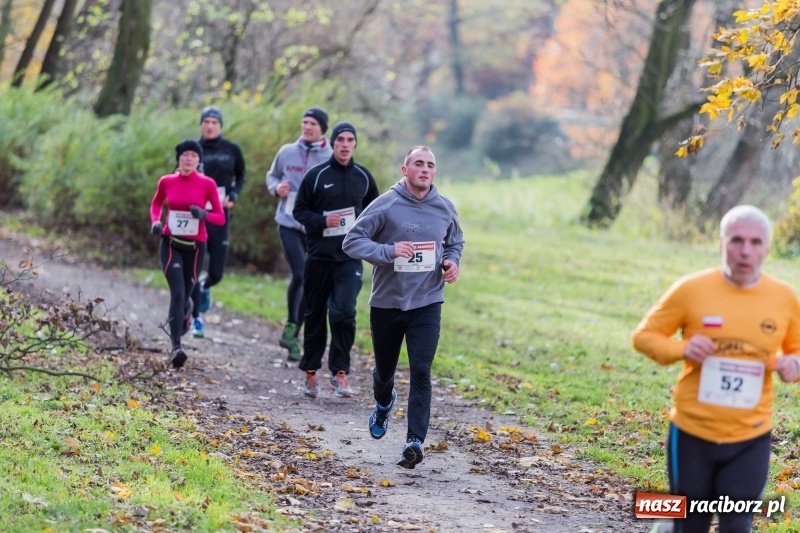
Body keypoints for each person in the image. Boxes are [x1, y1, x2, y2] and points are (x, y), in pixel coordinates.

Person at [632, 205, 800, 533]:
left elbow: (797, 351)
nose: (745, 251)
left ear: (767, 248)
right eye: (736, 240)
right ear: (721, 244)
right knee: (690, 523)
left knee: (736, 524)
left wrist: (793, 364)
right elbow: (643, 336)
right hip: (693, 431)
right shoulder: (691, 289)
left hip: (751, 434)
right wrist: (683, 348)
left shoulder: (784, 298)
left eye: (755, 242)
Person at [342, 145, 464, 469]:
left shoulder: (444, 208)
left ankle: (414, 441)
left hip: (427, 301)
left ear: (434, 172)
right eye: (418, 164)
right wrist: (389, 250)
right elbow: (352, 241)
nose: (425, 169)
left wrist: (451, 261)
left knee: (421, 369)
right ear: (405, 169)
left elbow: (455, 242)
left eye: (430, 165)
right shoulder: (386, 204)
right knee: (385, 373)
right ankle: (384, 402)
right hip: (387, 302)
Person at [292, 121, 380, 398]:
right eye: (340, 139)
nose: (344, 144)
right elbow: (299, 211)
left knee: (344, 312)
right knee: (315, 314)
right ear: (333, 144)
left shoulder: (364, 178)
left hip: (349, 258)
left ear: (355, 144)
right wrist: (321, 221)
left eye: (349, 140)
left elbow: (375, 214)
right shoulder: (316, 175)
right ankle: (310, 372)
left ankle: (340, 373)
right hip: (318, 257)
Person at [150, 140, 226, 368]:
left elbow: (220, 217)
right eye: (185, 155)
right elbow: (156, 204)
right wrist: (156, 222)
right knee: (178, 293)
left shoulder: (207, 184)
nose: (189, 158)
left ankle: (187, 312)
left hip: (195, 248)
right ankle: (176, 348)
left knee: (186, 296)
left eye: (193, 155)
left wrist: (204, 213)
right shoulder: (167, 181)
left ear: (199, 160)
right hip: (171, 244)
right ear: (179, 158)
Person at [266, 107, 332, 360]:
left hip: (316, 227)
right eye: (304, 122)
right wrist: (276, 188)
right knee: (301, 273)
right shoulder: (287, 151)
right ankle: (293, 324)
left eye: (313, 123)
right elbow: (271, 176)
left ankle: (293, 334)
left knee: (310, 279)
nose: (307, 127)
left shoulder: (330, 155)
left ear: (322, 128)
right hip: (289, 221)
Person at [189, 106, 247, 338]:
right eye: (206, 121)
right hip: (196, 219)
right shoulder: (194, 150)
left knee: (216, 272)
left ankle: (205, 287)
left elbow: (241, 176)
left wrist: (233, 195)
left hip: (220, 216)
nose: (210, 125)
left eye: (214, 121)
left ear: (220, 125)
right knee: (194, 268)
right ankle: (195, 319)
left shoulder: (232, 150)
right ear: (201, 124)